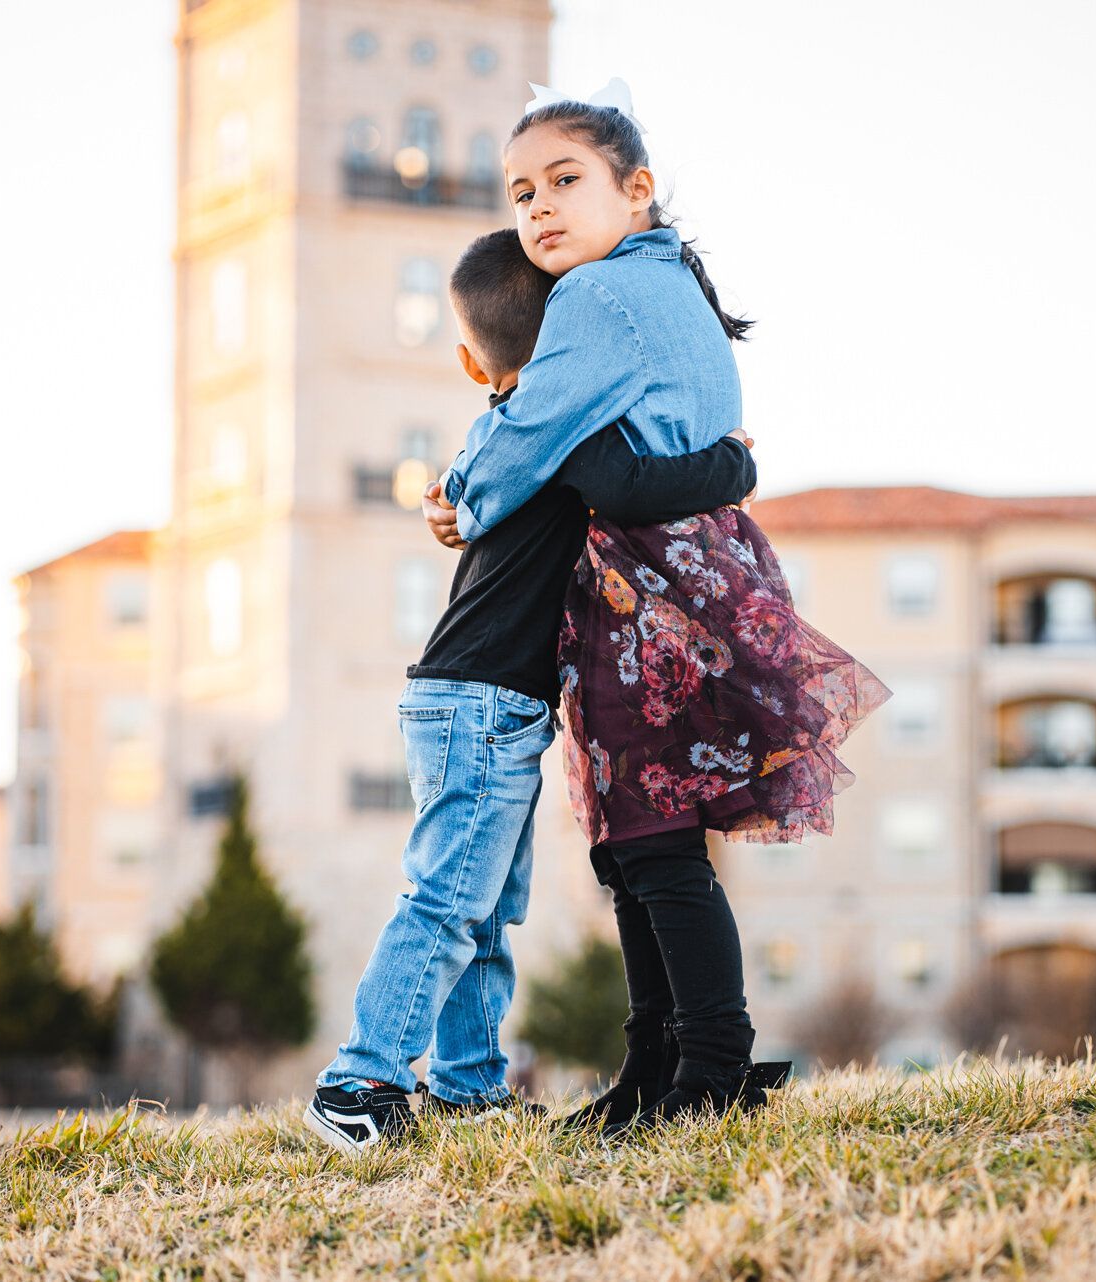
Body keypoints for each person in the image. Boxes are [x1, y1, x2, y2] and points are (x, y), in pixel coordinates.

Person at [428, 82, 891, 1133]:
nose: (538, 206)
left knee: (653, 851)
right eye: (520, 193)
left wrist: (457, 498)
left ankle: (709, 1068)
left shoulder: (595, 299)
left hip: (650, 602)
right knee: (645, 843)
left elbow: (534, 435)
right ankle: (657, 1066)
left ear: (635, 190)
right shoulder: (663, 275)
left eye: (565, 180)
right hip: (686, 579)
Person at [303, 228, 758, 1156]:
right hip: (480, 702)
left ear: (474, 360)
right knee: (449, 901)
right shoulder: (563, 431)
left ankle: (468, 1088)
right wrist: (735, 462)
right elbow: (630, 486)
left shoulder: (501, 436)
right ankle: (358, 1080)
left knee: (487, 906)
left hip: (468, 699)